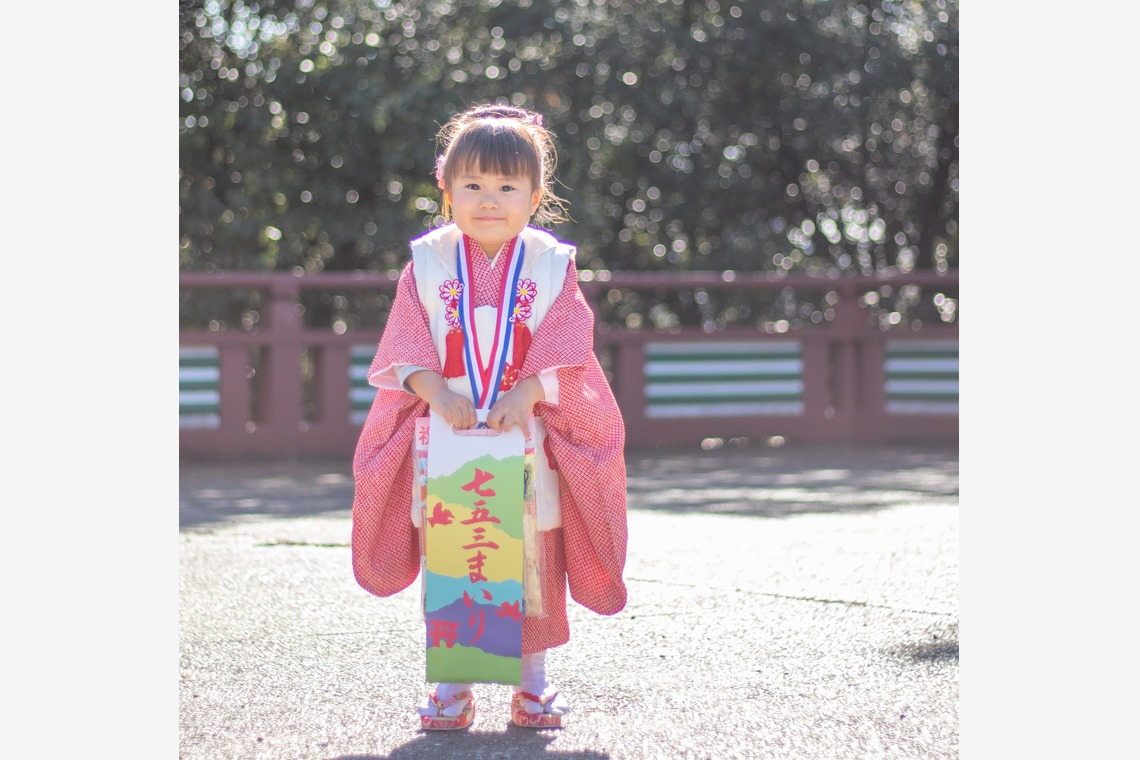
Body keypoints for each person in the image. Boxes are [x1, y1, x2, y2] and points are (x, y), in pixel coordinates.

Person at [351, 103, 628, 731]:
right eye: (472, 185)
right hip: (446, 436)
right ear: (446, 190)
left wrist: (528, 392)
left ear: (536, 195)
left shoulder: (552, 262)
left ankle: (532, 686)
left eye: (507, 186)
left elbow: (568, 341)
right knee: (459, 555)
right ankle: (452, 688)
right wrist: (430, 388)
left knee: (531, 558)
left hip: (526, 435)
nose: (489, 199)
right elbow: (405, 341)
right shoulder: (427, 261)